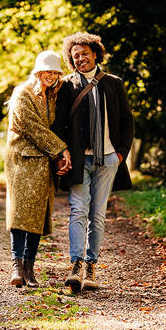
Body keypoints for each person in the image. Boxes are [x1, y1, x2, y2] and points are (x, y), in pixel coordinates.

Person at [52, 32, 134, 292]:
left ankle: (91, 267)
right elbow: (59, 124)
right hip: (78, 160)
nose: (80, 59)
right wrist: (61, 153)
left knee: (97, 215)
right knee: (78, 210)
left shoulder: (114, 83)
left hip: (109, 159)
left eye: (84, 54)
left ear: (96, 53)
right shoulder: (66, 86)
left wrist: (120, 154)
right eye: (75, 56)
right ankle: (75, 265)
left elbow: (127, 121)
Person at [4, 50, 72, 288]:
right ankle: (17, 266)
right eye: (47, 71)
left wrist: (59, 153)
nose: (51, 76)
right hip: (22, 159)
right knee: (20, 212)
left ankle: (30, 268)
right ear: (38, 71)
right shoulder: (21, 93)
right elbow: (31, 126)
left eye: (55, 72)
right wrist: (61, 149)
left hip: (44, 161)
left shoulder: (53, 96)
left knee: (39, 214)